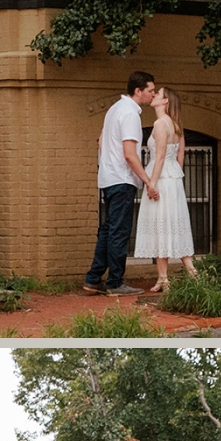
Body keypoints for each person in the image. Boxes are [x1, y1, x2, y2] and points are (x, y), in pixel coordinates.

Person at [84, 70, 157, 295]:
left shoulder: (114, 109)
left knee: (108, 229)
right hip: (123, 179)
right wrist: (147, 181)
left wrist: (109, 162)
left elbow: (101, 141)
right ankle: (115, 283)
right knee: (119, 231)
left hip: (108, 177)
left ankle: (93, 279)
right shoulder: (130, 114)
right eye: (150, 91)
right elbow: (130, 153)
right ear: (138, 91)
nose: (153, 95)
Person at [133, 84, 200, 294]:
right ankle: (183, 274)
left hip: (161, 177)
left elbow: (160, 156)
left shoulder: (160, 124)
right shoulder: (176, 125)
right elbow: (180, 156)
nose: (153, 96)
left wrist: (152, 183)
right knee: (170, 224)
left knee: (161, 224)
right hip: (173, 179)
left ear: (165, 101)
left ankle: (166, 278)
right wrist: (174, 177)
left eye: (158, 94)